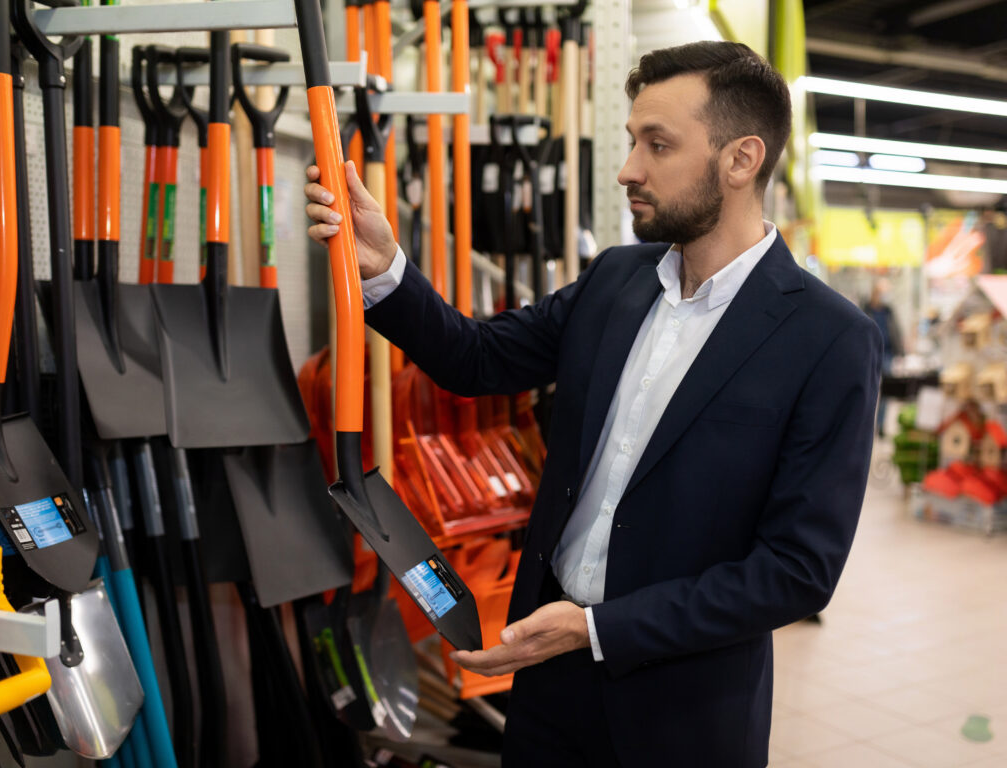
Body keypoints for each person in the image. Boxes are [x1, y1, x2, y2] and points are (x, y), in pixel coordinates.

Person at [305, 41, 881, 768]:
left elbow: (796, 571)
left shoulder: (829, 340)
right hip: (548, 680)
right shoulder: (615, 280)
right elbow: (475, 359)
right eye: (633, 140)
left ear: (741, 160)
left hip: (684, 710)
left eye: (657, 145)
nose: (627, 169)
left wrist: (598, 628)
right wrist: (386, 267)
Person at [862, 278, 904, 436]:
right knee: (869, 390)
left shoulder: (889, 311)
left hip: (887, 354)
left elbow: (896, 331)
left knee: (886, 391)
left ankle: (880, 424)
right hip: (870, 354)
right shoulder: (865, 310)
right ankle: (867, 424)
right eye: (881, 292)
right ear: (875, 293)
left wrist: (900, 351)